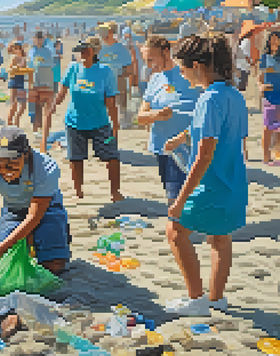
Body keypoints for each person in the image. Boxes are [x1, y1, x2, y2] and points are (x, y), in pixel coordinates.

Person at [162, 35, 248, 316]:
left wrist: (180, 199)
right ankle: (216, 299)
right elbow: (220, 133)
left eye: (183, 68)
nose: (182, 74)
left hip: (210, 185)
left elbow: (204, 155)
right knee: (220, 238)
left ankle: (196, 299)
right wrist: (181, 137)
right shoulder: (234, 95)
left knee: (175, 231)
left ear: (197, 66)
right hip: (234, 183)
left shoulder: (208, 99)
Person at [0, 126, 70, 275]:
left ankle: (56, 241)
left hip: (46, 210)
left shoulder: (45, 167)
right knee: (3, 266)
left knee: (54, 266)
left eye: (12, 162)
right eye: (0, 164)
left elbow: (34, 216)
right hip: (13, 210)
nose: (5, 170)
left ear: (26, 153)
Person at [51, 37, 123, 203]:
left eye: (86, 49)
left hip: (100, 122)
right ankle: (78, 192)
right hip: (75, 122)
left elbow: (111, 101)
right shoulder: (73, 68)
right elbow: (62, 91)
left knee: (111, 157)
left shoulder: (105, 71)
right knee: (76, 158)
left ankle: (115, 192)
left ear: (94, 51)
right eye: (80, 50)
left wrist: (115, 125)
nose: (82, 53)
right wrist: (53, 106)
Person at [137, 36, 201, 206]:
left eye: (152, 59)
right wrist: (158, 115)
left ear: (166, 52)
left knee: (180, 198)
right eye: (146, 61)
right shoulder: (155, 79)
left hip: (188, 144)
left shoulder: (188, 73)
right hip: (163, 146)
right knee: (173, 195)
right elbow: (140, 117)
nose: (149, 65)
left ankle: (180, 229)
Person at [97, 22, 133, 128]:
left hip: (118, 79)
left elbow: (129, 69)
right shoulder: (99, 49)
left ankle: (123, 121)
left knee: (121, 103)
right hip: (102, 81)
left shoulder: (121, 49)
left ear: (111, 33)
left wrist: (119, 76)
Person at [29, 31, 56, 146]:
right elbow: (30, 66)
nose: (39, 40)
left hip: (46, 82)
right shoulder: (31, 51)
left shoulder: (48, 51)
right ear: (34, 38)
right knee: (35, 108)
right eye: (37, 38)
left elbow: (50, 65)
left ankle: (45, 132)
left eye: (41, 38)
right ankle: (36, 131)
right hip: (34, 82)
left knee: (46, 108)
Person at [258, 31, 280, 165]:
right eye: (272, 39)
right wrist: (261, 86)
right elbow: (259, 77)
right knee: (267, 126)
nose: (274, 42)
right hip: (269, 95)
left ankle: (277, 154)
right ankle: (266, 156)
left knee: (279, 126)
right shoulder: (264, 58)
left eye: (277, 39)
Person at [7, 41, 28, 128]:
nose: (16, 50)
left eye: (17, 48)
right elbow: (11, 70)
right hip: (14, 81)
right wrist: (17, 68)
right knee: (14, 104)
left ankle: (17, 119)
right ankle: (9, 121)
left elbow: (25, 69)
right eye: (14, 48)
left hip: (21, 81)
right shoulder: (14, 58)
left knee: (23, 105)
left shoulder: (23, 58)